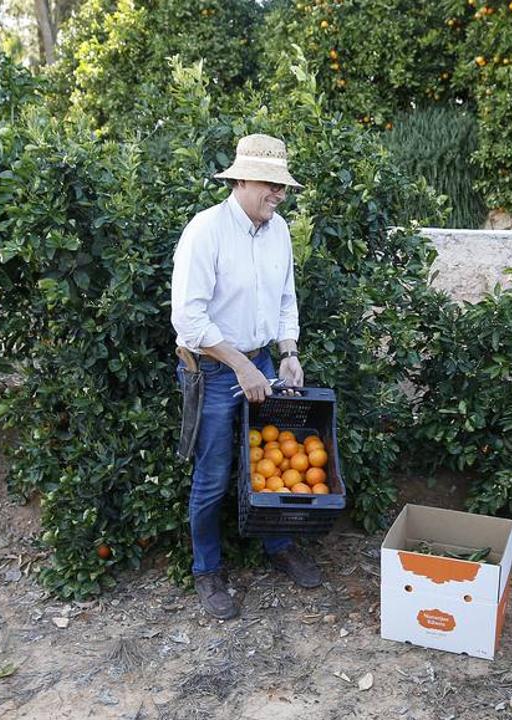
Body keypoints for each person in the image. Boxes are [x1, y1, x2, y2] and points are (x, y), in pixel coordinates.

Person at [170, 133, 322, 620]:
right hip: (214, 370)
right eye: (269, 184)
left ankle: (277, 546)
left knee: (269, 465)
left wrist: (288, 352)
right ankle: (207, 570)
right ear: (239, 180)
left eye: (283, 186)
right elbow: (189, 322)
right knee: (213, 476)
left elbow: (285, 300)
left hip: (258, 362)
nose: (278, 194)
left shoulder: (277, 231)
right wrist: (240, 365)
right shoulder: (206, 231)